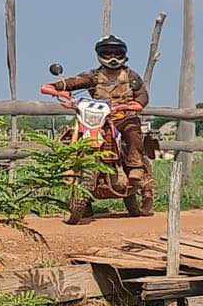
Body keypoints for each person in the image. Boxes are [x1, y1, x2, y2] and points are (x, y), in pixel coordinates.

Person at [42, 36, 153, 212]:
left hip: (123, 116)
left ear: (124, 54)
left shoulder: (130, 75)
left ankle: (135, 165)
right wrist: (55, 88)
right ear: (100, 55)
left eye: (117, 53)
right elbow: (72, 83)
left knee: (133, 131)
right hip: (98, 118)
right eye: (107, 53)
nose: (113, 57)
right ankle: (81, 196)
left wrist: (138, 103)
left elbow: (142, 93)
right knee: (72, 138)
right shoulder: (93, 76)